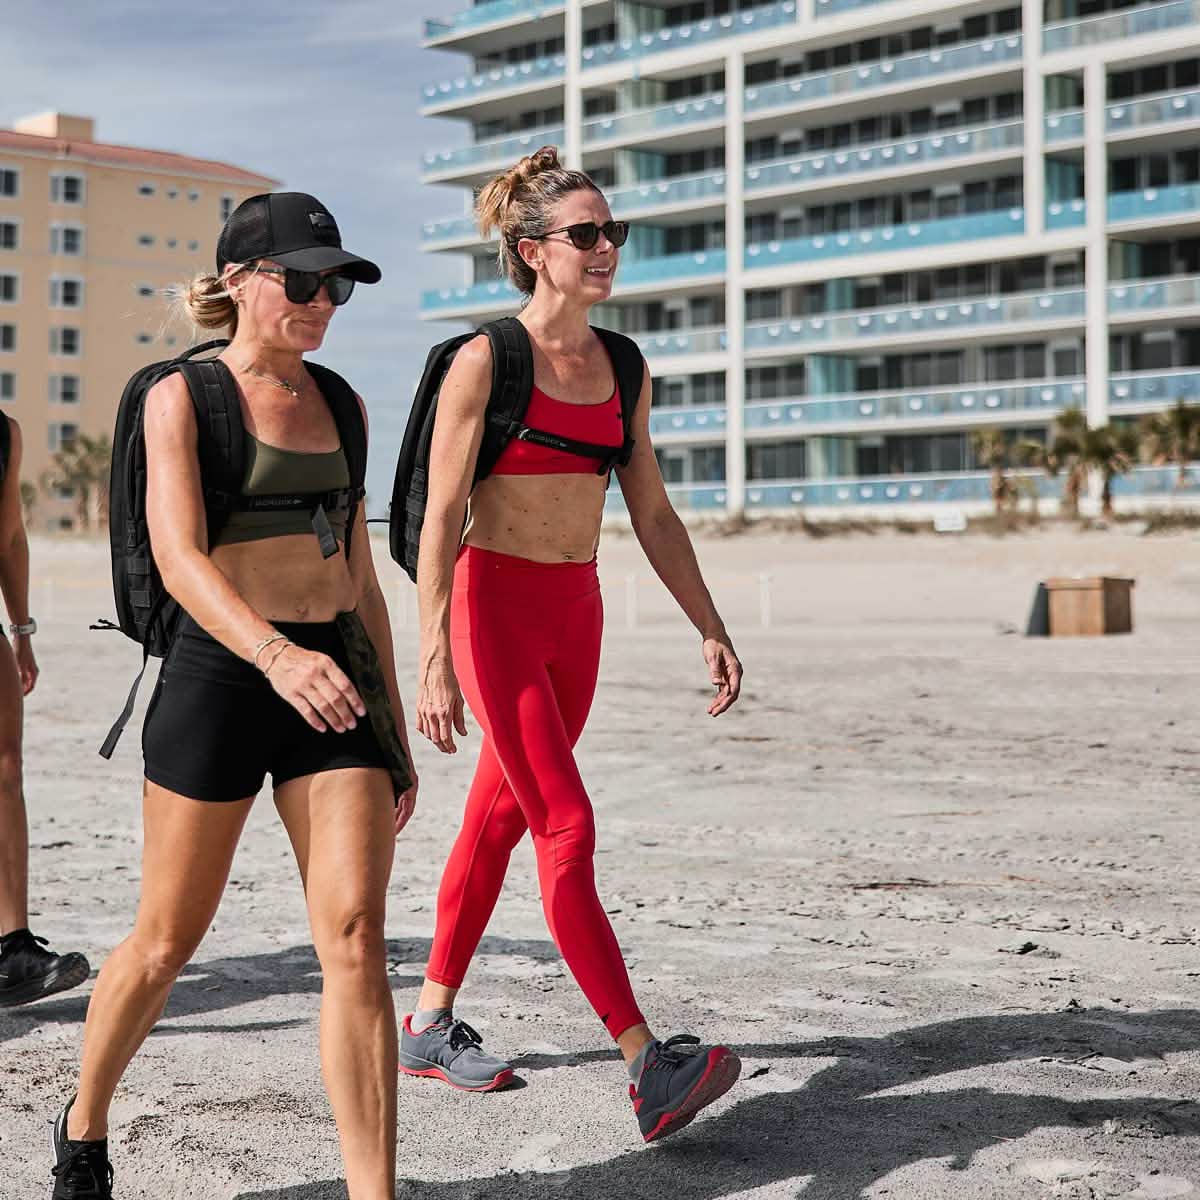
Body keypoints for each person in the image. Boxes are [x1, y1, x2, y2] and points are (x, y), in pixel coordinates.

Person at [50, 193, 417, 1200]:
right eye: (303, 279)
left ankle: (370, 1192)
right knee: (166, 942)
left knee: (354, 937)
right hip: (222, 673)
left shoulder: (342, 402)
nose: (323, 300)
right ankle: (84, 1125)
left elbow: (359, 579)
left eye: (336, 284)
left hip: (329, 678)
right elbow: (176, 556)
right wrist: (270, 656)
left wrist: (388, 725)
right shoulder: (183, 395)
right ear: (243, 280)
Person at [403, 147, 744, 1144]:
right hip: (492, 608)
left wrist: (710, 623)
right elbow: (439, 517)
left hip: (576, 612)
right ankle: (647, 1063)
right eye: (584, 235)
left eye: (613, 234)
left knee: (503, 820)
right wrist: (432, 653)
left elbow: (653, 511)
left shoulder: (623, 365)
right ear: (533, 252)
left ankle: (426, 1023)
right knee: (566, 823)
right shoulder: (485, 361)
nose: (605, 251)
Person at [0, 414, 90, 1007]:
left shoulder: (5, 432)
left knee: (6, 773)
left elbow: (8, 534)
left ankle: (12, 949)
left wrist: (22, 629)